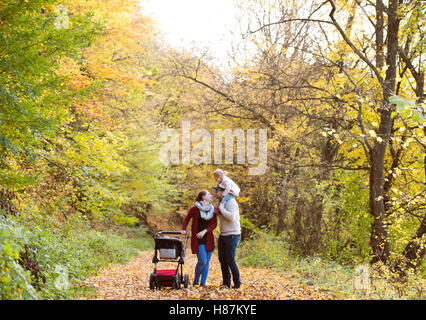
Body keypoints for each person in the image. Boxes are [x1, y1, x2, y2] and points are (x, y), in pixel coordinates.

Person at [181, 190, 218, 287]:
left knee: (207, 262)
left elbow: (214, 224)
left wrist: (205, 231)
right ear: (203, 196)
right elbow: (187, 219)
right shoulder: (194, 208)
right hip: (198, 239)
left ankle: (203, 283)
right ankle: (196, 280)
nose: (211, 196)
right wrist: (184, 229)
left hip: (209, 238)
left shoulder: (212, 209)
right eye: (209, 194)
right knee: (203, 261)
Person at [213, 184, 241, 289]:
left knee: (230, 259)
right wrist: (218, 212)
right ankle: (226, 283)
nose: (216, 193)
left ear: (223, 192)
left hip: (233, 234)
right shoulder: (222, 202)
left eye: (217, 191)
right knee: (222, 259)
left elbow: (232, 218)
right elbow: (224, 217)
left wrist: (221, 209)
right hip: (223, 234)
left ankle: (237, 283)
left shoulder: (231, 202)